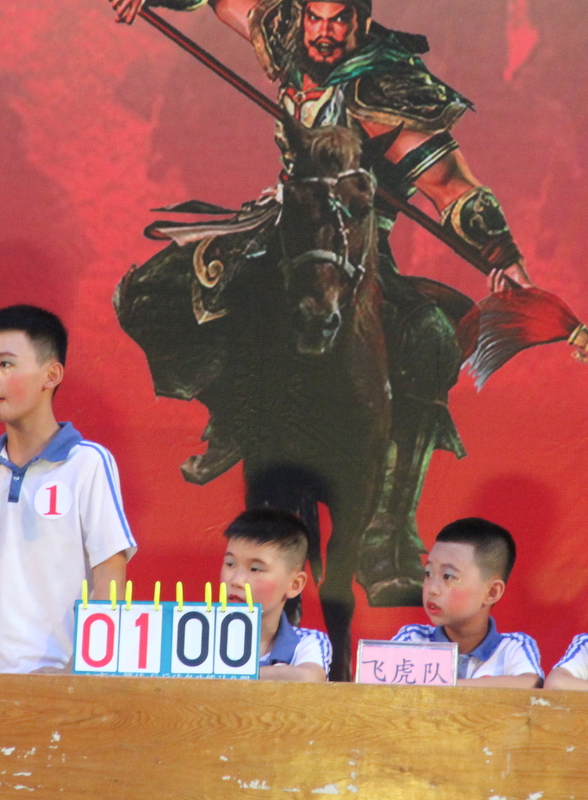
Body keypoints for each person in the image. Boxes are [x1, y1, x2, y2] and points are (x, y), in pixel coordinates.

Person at [109, 0, 534, 612]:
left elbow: (451, 186)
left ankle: (387, 533)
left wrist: (502, 253)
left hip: (355, 237)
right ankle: (232, 415)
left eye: (338, 20)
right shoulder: (288, 32)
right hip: (286, 220)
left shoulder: (385, 84)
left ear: (361, 20)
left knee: (430, 337)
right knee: (152, 293)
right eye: (315, 16)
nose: (324, 32)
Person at [0, 305, 137, 673]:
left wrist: (82, 673)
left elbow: (110, 579)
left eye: (5, 364)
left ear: (51, 375)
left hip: (56, 681)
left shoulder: (87, 463)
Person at [392, 518, 542, 688]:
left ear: (491, 592)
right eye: (428, 573)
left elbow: (530, 683)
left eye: (448, 576)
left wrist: (448, 688)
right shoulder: (413, 639)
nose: (432, 589)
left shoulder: (513, 648)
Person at [221, 508, 331, 680]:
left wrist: (221, 675)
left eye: (255, 569)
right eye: (230, 564)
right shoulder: (196, 633)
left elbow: (309, 679)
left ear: (294, 584)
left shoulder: (306, 642)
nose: (237, 581)